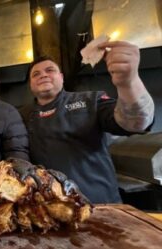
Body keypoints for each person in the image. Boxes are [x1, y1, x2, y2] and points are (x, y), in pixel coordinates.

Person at [19, 41, 155, 204]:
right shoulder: (20, 115)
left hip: (101, 206)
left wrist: (128, 83)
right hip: (49, 210)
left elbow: (135, 122)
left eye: (50, 70)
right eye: (36, 74)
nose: (43, 75)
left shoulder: (90, 100)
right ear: (30, 84)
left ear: (61, 77)